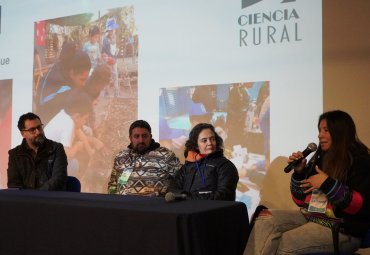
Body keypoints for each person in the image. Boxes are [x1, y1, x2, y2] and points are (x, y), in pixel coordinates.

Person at [244, 110, 370, 254]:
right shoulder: (320, 157)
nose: (319, 135)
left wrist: (327, 183)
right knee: (265, 219)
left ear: (340, 132)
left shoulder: (360, 160)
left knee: (287, 241)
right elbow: (300, 200)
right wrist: (299, 173)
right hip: (312, 217)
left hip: (344, 229)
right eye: (319, 130)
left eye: (326, 130)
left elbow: (359, 206)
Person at [108, 120, 181, 196]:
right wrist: (113, 203)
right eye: (136, 136)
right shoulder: (121, 157)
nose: (141, 140)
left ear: (150, 136)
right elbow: (113, 185)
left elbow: (181, 181)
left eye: (145, 136)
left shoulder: (166, 155)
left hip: (155, 206)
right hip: (124, 206)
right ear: (130, 138)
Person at [169, 123, 239, 201]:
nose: (210, 143)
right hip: (186, 211)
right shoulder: (187, 167)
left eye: (212, 139)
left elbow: (224, 195)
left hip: (213, 212)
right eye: (204, 140)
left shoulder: (226, 166)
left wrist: (188, 197)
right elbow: (173, 191)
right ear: (196, 145)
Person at [7, 112, 68, 190]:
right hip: (24, 201)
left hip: (51, 200)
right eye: (32, 130)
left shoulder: (56, 148)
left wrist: (36, 197)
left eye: (39, 127)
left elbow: (59, 179)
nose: (38, 132)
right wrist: (30, 199)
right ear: (23, 134)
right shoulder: (14, 154)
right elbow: (14, 185)